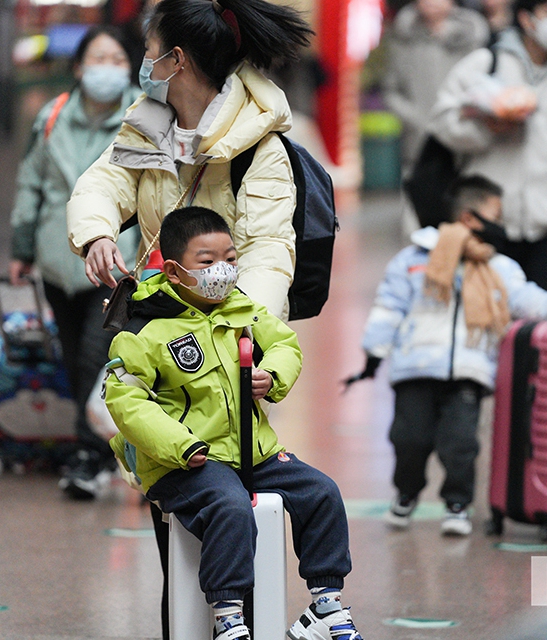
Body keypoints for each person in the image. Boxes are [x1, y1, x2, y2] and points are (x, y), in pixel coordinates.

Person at [104, 207, 363, 640]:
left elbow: (284, 344)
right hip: (185, 462)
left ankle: (326, 603)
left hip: (250, 450)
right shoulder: (144, 328)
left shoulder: (240, 308)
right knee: (230, 506)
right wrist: (180, 445)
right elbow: (125, 400)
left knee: (320, 492)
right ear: (173, 269)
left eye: (230, 258)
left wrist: (272, 375)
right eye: (207, 262)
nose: (222, 271)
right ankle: (228, 616)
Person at [346, 175, 547, 535]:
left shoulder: (498, 268)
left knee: (462, 443)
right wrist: (375, 352)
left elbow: (525, 298)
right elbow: (389, 305)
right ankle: (406, 491)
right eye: (495, 215)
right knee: (409, 439)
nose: (501, 226)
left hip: (468, 368)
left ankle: (457, 503)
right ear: (469, 218)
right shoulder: (414, 259)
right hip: (415, 367)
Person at [66, 0, 313, 321]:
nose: (145, 62)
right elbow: (104, 184)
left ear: (176, 60)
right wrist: (96, 234)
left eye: (150, 50)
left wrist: (246, 335)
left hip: (222, 333)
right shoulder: (148, 125)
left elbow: (266, 254)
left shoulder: (258, 146)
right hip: (157, 320)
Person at [8, 25, 142, 500]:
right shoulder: (52, 116)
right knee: (72, 360)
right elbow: (31, 185)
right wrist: (22, 249)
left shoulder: (142, 117)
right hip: (56, 262)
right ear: (79, 66)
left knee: (97, 358)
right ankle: (101, 448)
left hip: (116, 265)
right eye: (97, 58)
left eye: (117, 59)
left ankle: (91, 454)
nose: (107, 69)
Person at [430, 0, 547, 291]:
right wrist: (486, 129)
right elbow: (442, 120)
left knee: (543, 322)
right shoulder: (484, 64)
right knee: (485, 314)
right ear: (526, 19)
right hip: (486, 222)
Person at [382, 0, 489, 176]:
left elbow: (481, 86)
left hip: (463, 139)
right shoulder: (403, 36)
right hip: (417, 143)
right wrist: (413, 117)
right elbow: (390, 89)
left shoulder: (470, 35)